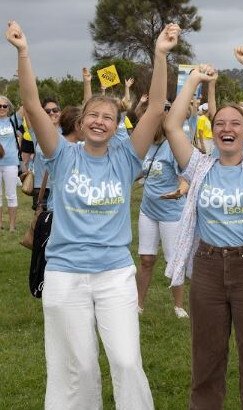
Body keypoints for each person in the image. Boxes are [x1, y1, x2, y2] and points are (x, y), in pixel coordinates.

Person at [7, 20, 180, 409]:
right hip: (65, 275)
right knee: (78, 368)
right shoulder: (63, 156)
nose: (100, 121)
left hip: (115, 275)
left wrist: (160, 54)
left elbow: (155, 107)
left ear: (117, 126)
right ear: (81, 122)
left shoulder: (125, 158)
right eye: (93, 115)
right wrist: (23, 52)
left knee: (126, 360)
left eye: (108, 117)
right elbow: (32, 105)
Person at [164, 45, 243, 409]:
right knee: (206, 360)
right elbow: (172, 124)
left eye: (236, 123)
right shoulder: (199, 167)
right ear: (213, 131)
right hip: (207, 268)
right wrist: (192, 81)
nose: (227, 128)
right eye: (220, 123)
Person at [136, 116, 188, 319]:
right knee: (146, 259)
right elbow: (138, 172)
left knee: (173, 260)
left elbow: (185, 178)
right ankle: (139, 304)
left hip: (171, 213)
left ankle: (178, 306)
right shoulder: (146, 146)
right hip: (148, 210)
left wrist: (180, 191)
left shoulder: (172, 147)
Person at [0, 95, 20, 232]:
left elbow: (27, 104)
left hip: (11, 162)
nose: (1, 108)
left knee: (11, 194)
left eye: (4, 106)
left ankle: (12, 226)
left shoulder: (14, 120)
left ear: (8, 107)